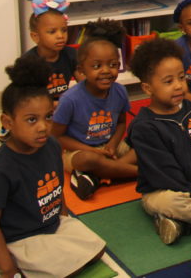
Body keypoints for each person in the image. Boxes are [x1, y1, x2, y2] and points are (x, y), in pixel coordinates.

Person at [0, 55, 106, 278]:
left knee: (97, 248)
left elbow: (57, 189)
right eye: (31, 120)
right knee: (62, 266)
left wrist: (65, 222)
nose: (43, 127)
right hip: (20, 238)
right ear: (8, 123)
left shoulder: (52, 146)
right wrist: (8, 268)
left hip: (51, 226)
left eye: (48, 117)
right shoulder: (0, 169)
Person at [128, 38, 191, 245]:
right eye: (168, 81)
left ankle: (185, 223)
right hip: (165, 190)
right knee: (170, 202)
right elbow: (164, 173)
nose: (178, 86)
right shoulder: (144, 127)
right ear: (148, 88)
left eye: (181, 78)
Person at [51, 38, 138, 200]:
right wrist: (92, 150)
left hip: (109, 147)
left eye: (112, 65)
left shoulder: (120, 91)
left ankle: (97, 176)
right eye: (97, 66)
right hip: (78, 150)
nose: (106, 71)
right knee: (88, 159)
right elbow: (57, 137)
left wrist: (112, 145)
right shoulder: (70, 99)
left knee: (147, 146)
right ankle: (140, 173)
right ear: (81, 70)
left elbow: (120, 123)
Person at [22, 7, 77, 103]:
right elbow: (28, 98)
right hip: (39, 106)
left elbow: (85, 83)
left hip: (63, 103)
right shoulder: (28, 61)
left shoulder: (71, 54)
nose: (60, 36)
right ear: (36, 37)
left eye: (64, 30)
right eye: (52, 32)